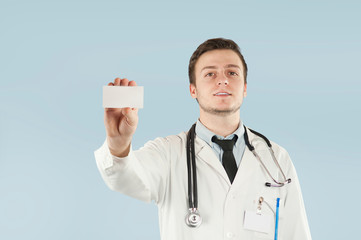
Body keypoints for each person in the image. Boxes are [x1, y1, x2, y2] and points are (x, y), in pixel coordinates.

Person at [94, 38, 312, 240]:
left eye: (232, 73)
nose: (223, 81)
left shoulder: (276, 158)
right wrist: (118, 143)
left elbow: (296, 233)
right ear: (193, 90)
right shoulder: (168, 153)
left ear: (245, 88)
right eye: (210, 74)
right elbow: (125, 179)